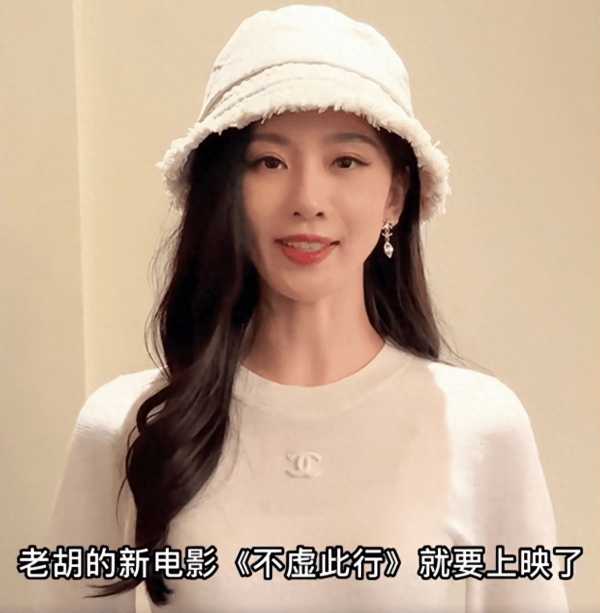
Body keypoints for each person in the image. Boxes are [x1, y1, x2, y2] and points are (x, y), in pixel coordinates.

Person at [31, 4, 570, 612]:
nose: (307, 199)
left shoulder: (482, 426)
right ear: (224, 191)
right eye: (269, 162)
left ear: (395, 195)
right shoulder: (126, 426)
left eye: (346, 161)